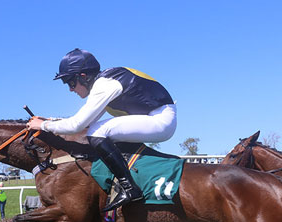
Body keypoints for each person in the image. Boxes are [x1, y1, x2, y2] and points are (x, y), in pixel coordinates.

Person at [25, 48, 177, 212]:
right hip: (157, 117)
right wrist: (49, 121)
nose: (70, 89)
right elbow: (84, 121)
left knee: (96, 132)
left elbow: (77, 125)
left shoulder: (104, 85)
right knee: (98, 130)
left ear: (83, 76)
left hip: (161, 120)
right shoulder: (105, 83)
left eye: (70, 82)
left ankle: (129, 187)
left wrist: (43, 125)